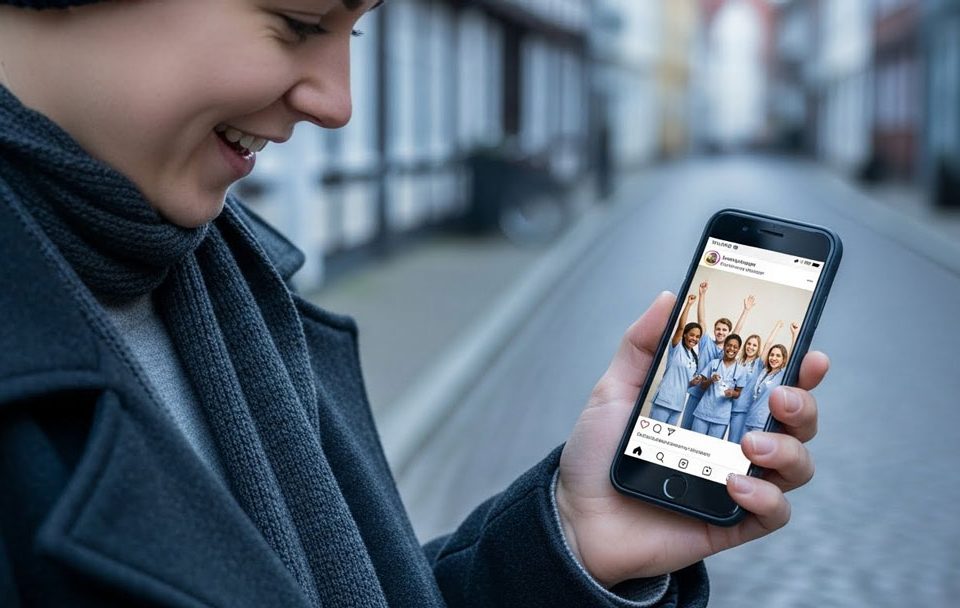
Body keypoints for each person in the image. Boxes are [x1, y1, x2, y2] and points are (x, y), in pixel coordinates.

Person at [0, 2, 828, 606]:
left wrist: (569, 547)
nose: (337, 102)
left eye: (354, 33)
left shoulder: (227, 287)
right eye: (297, 23)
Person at [679, 281, 754, 430]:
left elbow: (737, 331)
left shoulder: (728, 350)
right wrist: (702, 295)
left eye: (724, 330)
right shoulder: (706, 342)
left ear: (728, 333)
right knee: (686, 428)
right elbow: (701, 321)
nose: (721, 332)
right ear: (714, 330)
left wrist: (746, 310)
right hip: (699, 391)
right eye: (718, 329)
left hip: (714, 396)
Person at [728, 320, 786, 444]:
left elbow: (768, 344)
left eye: (754, 345)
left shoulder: (759, 364)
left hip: (742, 411)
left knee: (735, 443)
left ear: (758, 348)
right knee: (725, 443)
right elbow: (733, 337)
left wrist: (777, 326)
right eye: (749, 343)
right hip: (727, 406)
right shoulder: (737, 362)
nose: (751, 347)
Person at [648, 294, 701, 425]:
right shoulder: (676, 348)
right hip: (664, 400)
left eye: (697, 336)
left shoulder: (694, 357)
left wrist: (693, 382)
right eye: (692, 335)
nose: (694, 338)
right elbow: (681, 327)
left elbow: (685, 382)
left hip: (678, 405)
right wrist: (688, 304)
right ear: (684, 335)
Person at [742, 323, 801, 437]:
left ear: (784, 359)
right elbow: (767, 345)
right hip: (749, 419)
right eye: (772, 355)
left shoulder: (782, 375)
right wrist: (776, 327)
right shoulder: (763, 372)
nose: (773, 358)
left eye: (778, 356)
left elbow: (795, 356)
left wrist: (795, 335)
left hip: (763, 423)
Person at [689, 334, 749, 439]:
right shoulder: (714, 364)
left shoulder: (741, 370)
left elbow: (738, 393)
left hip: (721, 417)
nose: (731, 349)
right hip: (703, 412)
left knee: (711, 450)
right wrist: (711, 380)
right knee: (694, 443)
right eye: (729, 345)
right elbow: (702, 386)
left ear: (738, 349)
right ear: (724, 346)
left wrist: (732, 393)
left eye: (735, 347)